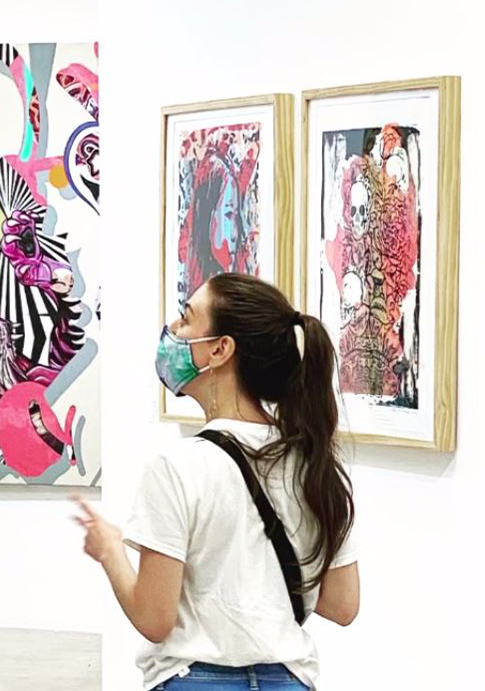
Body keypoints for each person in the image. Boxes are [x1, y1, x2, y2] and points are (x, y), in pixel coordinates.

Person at [74, 273, 361, 691]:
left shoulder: (177, 466)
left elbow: (154, 618)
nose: (173, 330)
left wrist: (110, 550)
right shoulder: (313, 463)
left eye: (186, 319)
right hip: (290, 680)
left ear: (221, 349)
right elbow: (342, 604)